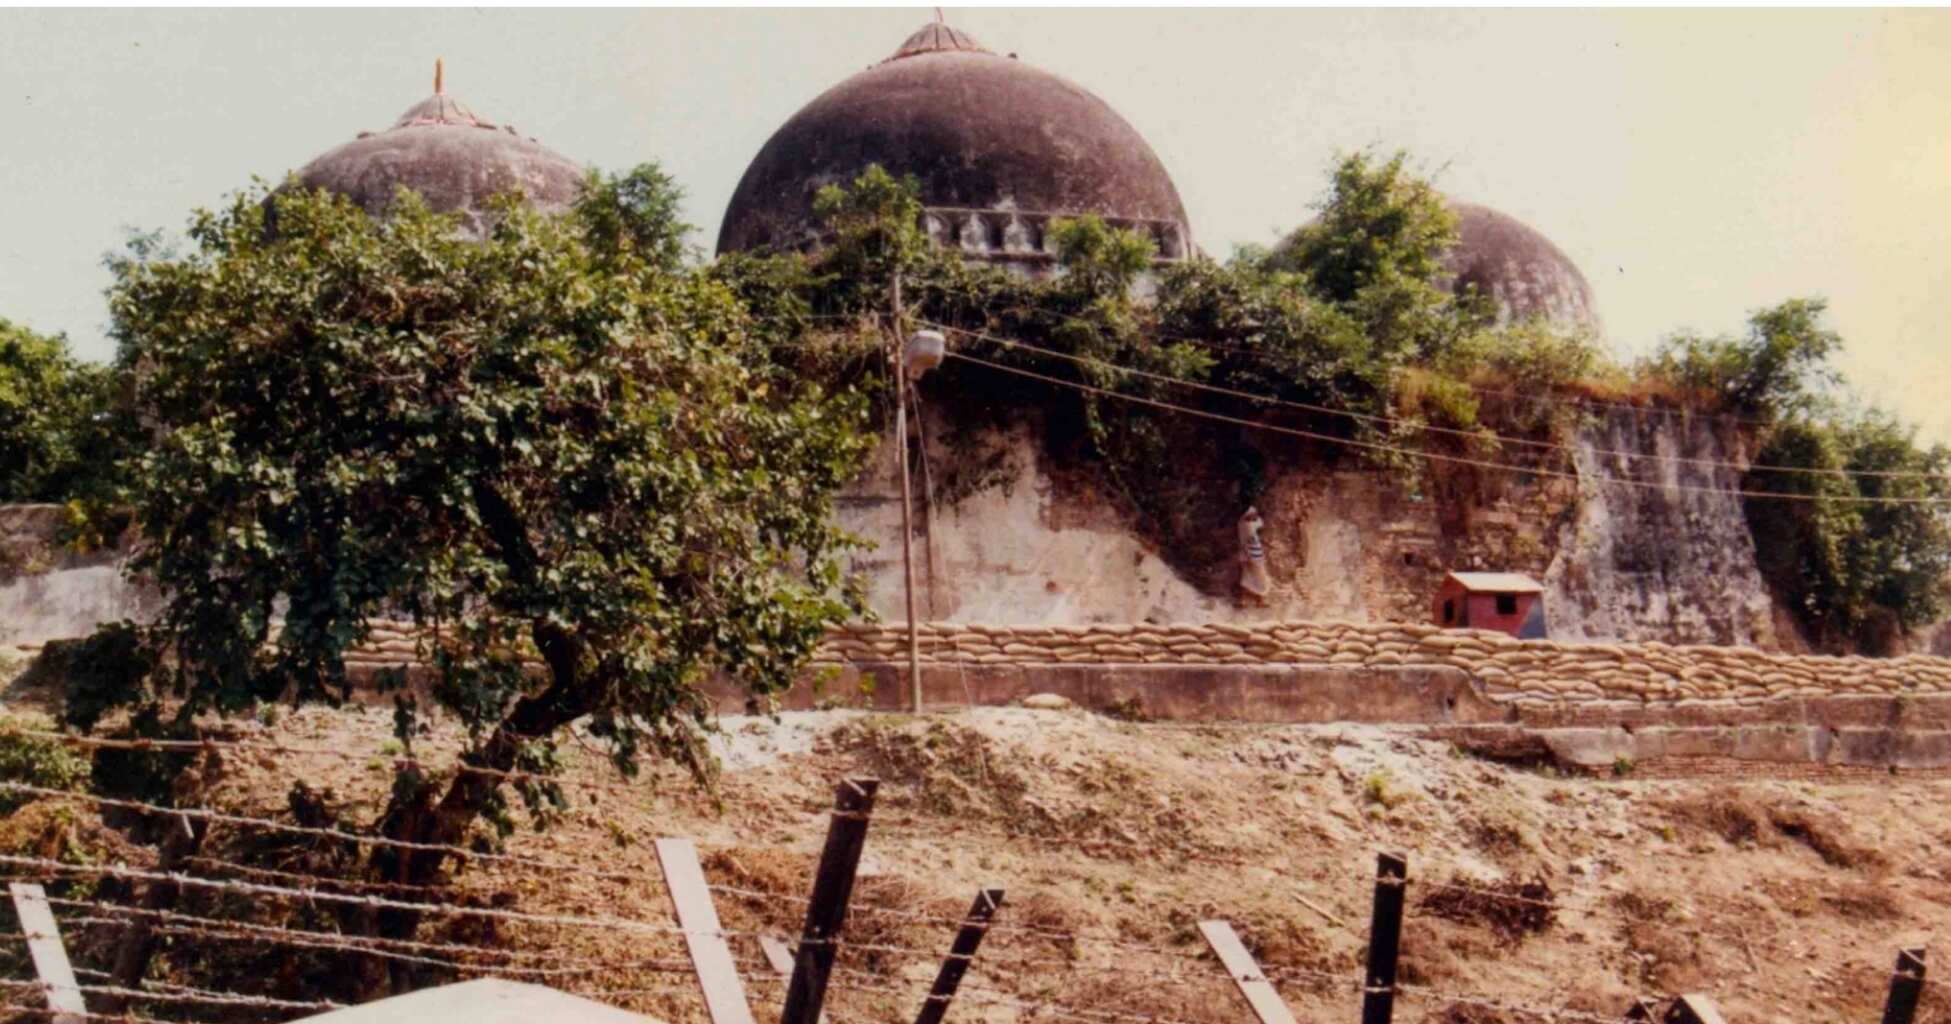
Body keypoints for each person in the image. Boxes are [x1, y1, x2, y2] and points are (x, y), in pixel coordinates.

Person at [1237, 505, 1271, 607]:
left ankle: (1242, 601)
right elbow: (1260, 523)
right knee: (1261, 578)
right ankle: (1261, 601)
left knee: (1246, 577)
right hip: (1253, 555)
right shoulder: (1250, 526)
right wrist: (1257, 517)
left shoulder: (1241, 524)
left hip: (1244, 555)